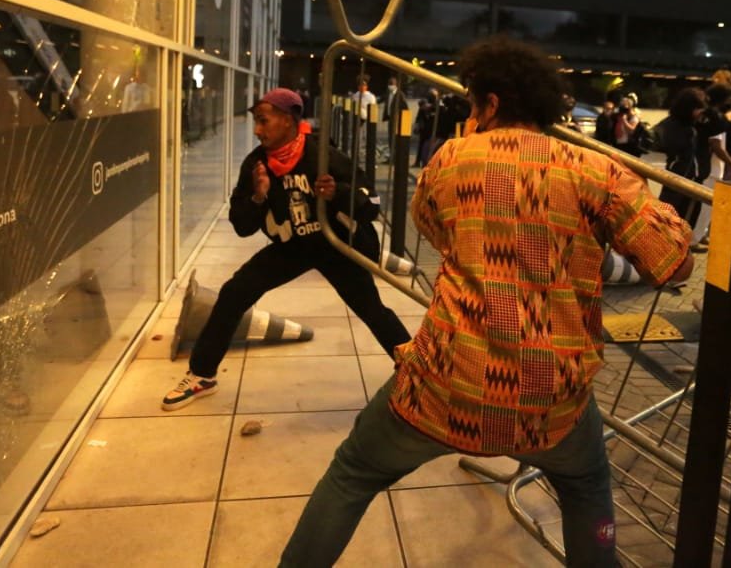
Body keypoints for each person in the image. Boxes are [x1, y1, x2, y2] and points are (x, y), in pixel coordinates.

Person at [280, 37, 694, 567]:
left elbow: (434, 228)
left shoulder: (452, 158)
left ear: (490, 104)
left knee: (352, 473)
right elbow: (673, 265)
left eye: (473, 103)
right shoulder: (597, 171)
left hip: (445, 384)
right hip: (551, 398)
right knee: (586, 485)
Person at [161, 88, 412, 410]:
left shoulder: (324, 155)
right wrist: (258, 196)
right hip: (292, 247)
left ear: (288, 120)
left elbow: (372, 206)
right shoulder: (257, 165)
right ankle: (202, 374)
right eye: (256, 121)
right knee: (234, 292)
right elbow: (241, 226)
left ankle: (417, 374)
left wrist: (339, 192)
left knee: (373, 310)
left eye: (263, 121)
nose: (257, 130)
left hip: (334, 245)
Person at [691, 82, 731, 249]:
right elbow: (716, 145)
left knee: (705, 206)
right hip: (711, 167)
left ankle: (700, 234)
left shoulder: (704, 115)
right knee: (705, 206)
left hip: (704, 164)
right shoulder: (715, 118)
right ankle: (694, 239)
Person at [656, 87, 706, 230]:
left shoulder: (691, 126)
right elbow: (677, 149)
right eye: (698, 108)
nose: (700, 113)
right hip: (676, 180)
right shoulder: (677, 126)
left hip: (689, 180)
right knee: (668, 219)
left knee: (685, 222)